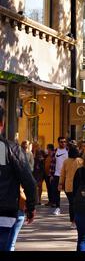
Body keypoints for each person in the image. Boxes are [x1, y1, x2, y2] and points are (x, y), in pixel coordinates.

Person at [0, 107, 36, 251]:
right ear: (2, 124)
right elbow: (29, 181)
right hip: (5, 212)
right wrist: (31, 207)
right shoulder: (12, 149)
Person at [58, 143, 83, 228]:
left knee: (71, 203)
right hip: (79, 186)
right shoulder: (81, 161)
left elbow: (62, 174)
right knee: (79, 203)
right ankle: (78, 219)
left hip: (68, 185)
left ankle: (73, 221)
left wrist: (60, 183)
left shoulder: (66, 161)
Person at [49, 136, 68, 215]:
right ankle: (58, 208)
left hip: (67, 175)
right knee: (56, 192)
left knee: (69, 192)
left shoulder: (68, 151)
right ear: (58, 142)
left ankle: (73, 206)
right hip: (57, 174)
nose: (63, 143)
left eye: (64, 142)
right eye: (61, 142)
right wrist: (51, 175)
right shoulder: (55, 151)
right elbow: (52, 163)